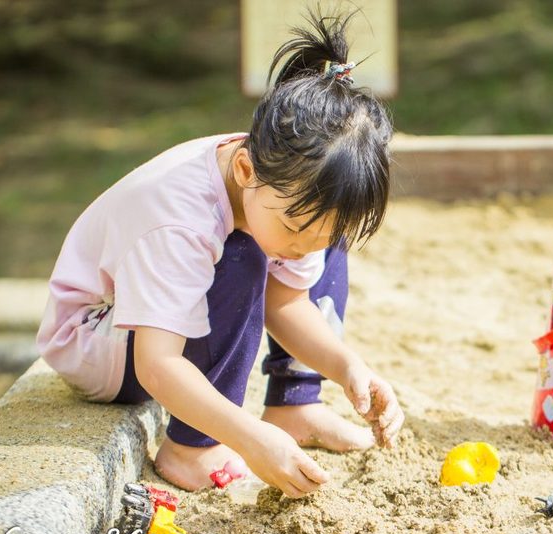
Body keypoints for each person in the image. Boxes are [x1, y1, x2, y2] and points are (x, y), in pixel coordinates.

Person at [35, 12, 404, 496]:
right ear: (247, 169)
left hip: (152, 328)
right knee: (243, 260)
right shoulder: (180, 217)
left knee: (323, 235)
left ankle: (295, 402)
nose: (298, 248)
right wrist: (250, 440)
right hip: (101, 339)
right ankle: (192, 449)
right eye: (292, 229)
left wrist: (347, 366)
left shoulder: (283, 184)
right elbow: (157, 365)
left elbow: (286, 302)